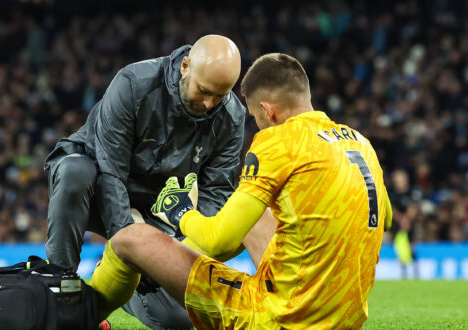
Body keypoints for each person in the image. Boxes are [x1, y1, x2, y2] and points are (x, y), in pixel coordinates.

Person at [89, 53, 393, 329]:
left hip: (276, 319)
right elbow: (385, 218)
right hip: (345, 319)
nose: (258, 125)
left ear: (267, 111)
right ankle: (158, 276)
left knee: (130, 238)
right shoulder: (359, 143)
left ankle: (80, 317)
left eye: (254, 117)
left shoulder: (278, 141)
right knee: (258, 213)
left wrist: (181, 212)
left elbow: (219, 240)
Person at [44, 35, 246, 329]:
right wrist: (136, 244)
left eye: (221, 95)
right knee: (76, 171)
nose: (209, 103)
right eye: (204, 91)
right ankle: (62, 290)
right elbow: (109, 171)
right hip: (96, 187)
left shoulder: (231, 117)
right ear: (185, 66)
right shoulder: (134, 84)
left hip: (155, 210)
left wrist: (174, 256)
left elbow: (216, 196)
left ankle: (122, 284)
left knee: (178, 320)